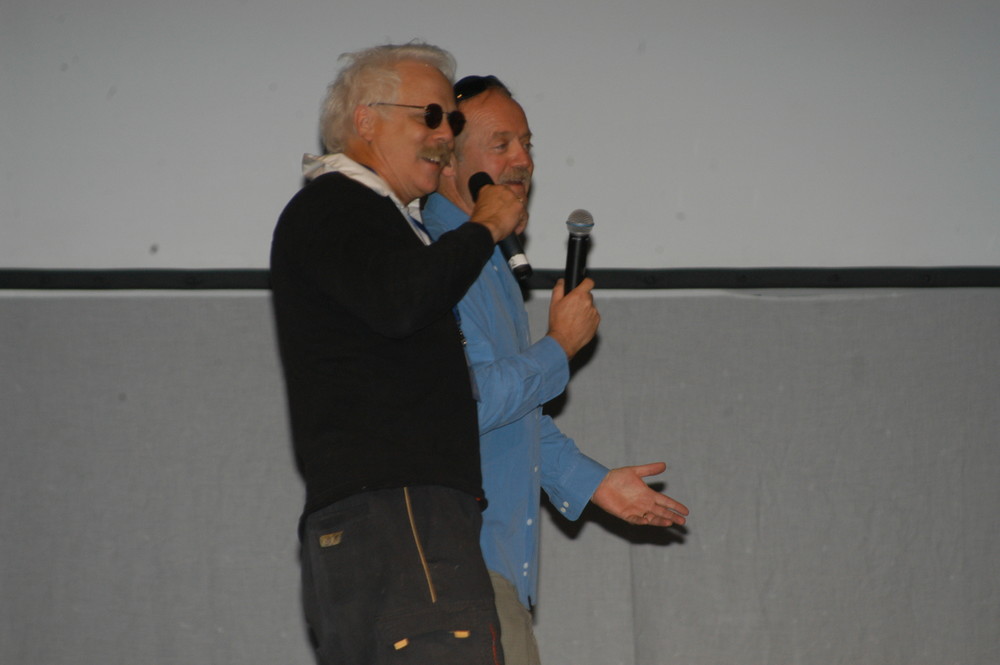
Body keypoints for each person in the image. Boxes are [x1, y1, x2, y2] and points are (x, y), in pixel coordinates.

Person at [422, 75, 690, 664]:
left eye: (527, 144)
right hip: (459, 572)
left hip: (486, 571)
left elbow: (511, 414)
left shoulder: (488, 263)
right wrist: (559, 346)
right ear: (447, 163)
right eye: (501, 145)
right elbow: (465, 405)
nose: (523, 160)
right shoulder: (438, 259)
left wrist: (593, 483)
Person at [270, 46, 526, 665]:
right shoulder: (339, 204)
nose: (445, 136)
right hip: (403, 515)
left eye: (452, 122)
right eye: (430, 116)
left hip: (388, 520)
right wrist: (483, 229)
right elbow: (402, 300)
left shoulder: (371, 218)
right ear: (366, 120)